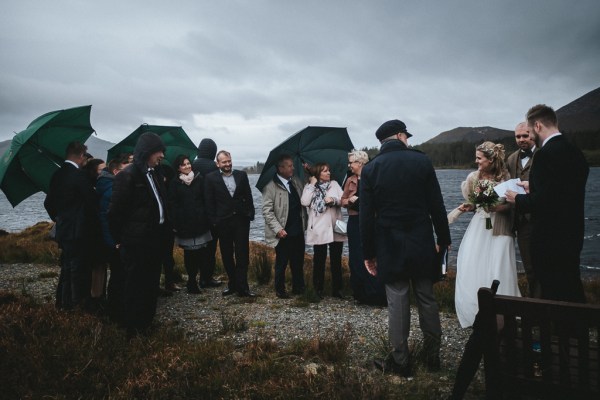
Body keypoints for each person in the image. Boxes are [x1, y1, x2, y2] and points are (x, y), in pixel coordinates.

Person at [360, 119, 450, 376]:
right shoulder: (421, 161)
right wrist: (444, 239)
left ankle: (401, 363)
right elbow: (436, 205)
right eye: (406, 136)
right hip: (421, 240)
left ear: (382, 141)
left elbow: (366, 217)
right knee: (427, 299)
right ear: (399, 135)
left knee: (398, 301)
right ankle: (433, 358)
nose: (408, 140)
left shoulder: (371, 169)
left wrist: (368, 254)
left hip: (389, 244)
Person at [506, 104, 589, 303]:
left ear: (538, 126)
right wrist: (533, 187)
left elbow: (541, 203)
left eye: (530, 131)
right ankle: (578, 331)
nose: (530, 136)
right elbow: (561, 193)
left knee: (552, 291)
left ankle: (557, 332)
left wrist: (517, 198)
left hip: (550, 238)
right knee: (571, 286)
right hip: (573, 232)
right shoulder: (575, 152)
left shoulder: (544, 155)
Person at [108, 132, 169, 336]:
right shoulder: (128, 176)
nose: (162, 155)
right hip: (135, 243)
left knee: (151, 284)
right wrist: (119, 240)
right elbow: (115, 212)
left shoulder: (155, 174)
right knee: (135, 285)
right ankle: (132, 329)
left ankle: (146, 324)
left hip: (155, 240)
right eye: (159, 151)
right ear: (148, 151)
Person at [454, 141, 521, 328]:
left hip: (501, 227)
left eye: (479, 158)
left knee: (500, 264)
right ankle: (478, 310)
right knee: (474, 262)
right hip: (481, 226)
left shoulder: (506, 176)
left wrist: (498, 207)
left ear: (491, 159)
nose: (476, 162)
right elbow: (475, 202)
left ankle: (505, 313)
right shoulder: (473, 178)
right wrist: (471, 206)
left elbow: (512, 203)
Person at [44, 141, 99, 310]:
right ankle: (78, 307)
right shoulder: (79, 175)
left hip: (64, 229)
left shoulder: (57, 174)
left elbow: (48, 203)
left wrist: (60, 218)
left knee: (67, 268)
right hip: (79, 231)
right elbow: (92, 201)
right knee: (79, 270)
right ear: (82, 156)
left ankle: (62, 303)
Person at [204, 150, 256, 297]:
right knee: (227, 255)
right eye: (224, 162)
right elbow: (209, 202)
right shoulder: (210, 178)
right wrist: (214, 221)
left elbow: (248, 195)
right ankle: (232, 284)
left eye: (229, 161)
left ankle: (243, 287)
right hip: (222, 222)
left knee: (242, 254)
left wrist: (250, 213)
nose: (227, 164)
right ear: (218, 163)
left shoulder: (242, 175)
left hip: (241, 221)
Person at [341, 150, 386, 306]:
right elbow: (342, 200)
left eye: (352, 162)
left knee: (373, 255)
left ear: (360, 163)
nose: (350, 165)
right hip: (354, 221)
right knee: (356, 257)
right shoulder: (350, 180)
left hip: (372, 221)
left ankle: (377, 294)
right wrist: (349, 200)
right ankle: (360, 294)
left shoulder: (374, 177)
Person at [261, 154, 307, 299]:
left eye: (292, 165)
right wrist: (278, 229)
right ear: (280, 168)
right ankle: (280, 290)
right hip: (283, 232)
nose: (293, 168)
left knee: (298, 261)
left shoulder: (297, 182)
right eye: (290, 165)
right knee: (282, 262)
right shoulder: (270, 187)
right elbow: (267, 211)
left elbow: (307, 194)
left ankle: (298, 288)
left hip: (298, 229)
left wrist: (309, 171)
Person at [168, 154, 213, 294]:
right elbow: (172, 204)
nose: (187, 166)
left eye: (188, 163)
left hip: (200, 222)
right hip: (185, 224)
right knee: (189, 254)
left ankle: (200, 278)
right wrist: (176, 222)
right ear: (178, 168)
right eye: (183, 164)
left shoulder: (199, 179)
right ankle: (191, 281)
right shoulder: (174, 183)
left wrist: (206, 216)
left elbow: (206, 198)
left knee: (201, 253)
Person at [300, 162, 345, 298]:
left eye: (329, 170)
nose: (328, 173)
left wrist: (333, 200)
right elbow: (304, 201)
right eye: (325, 171)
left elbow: (343, 200)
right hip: (318, 229)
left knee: (336, 260)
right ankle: (318, 289)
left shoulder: (335, 184)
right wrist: (312, 184)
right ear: (318, 173)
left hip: (335, 226)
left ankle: (337, 290)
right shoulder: (310, 186)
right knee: (319, 260)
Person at [506, 122, 539, 297]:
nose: (521, 140)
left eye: (525, 135)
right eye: (518, 136)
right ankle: (535, 310)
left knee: (546, 267)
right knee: (529, 268)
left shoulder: (543, 155)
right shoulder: (511, 159)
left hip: (542, 220)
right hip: (521, 222)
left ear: (533, 134)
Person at [96, 159, 126, 324]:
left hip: (117, 241)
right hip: (115, 243)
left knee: (118, 276)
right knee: (118, 277)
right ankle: (115, 314)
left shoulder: (110, 188)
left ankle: (116, 310)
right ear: (116, 172)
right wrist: (113, 242)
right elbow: (105, 219)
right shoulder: (110, 191)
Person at [192, 138, 222, 288]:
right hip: (211, 213)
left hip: (195, 213)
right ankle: (206, 278)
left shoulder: (192, 164)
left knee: (196, 246)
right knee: (210, 247)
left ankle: (192, 278)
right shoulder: (213, 167)